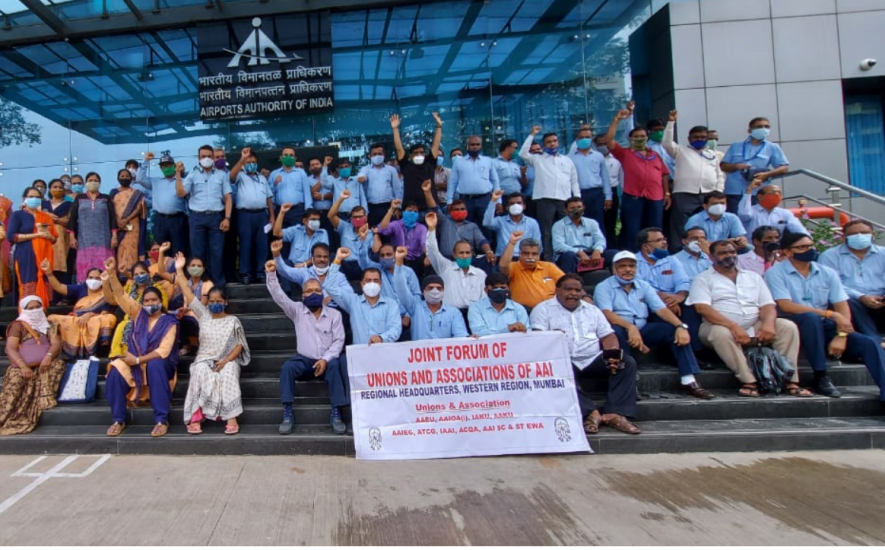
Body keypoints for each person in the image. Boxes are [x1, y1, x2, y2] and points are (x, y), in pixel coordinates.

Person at [764, 232, 885, 399]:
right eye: (802, 247)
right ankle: (820, 375)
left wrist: (841, 335)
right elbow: (786, 305)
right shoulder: (776, 273)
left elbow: (842, 306)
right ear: (787, 252)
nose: (809, 250)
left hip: (823, 323)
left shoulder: (827, 272)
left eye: (811, 246)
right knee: (811, 318)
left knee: (869, 343)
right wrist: (830, 314)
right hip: (792, 321)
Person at [688, 240, 811, 397]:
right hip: (718, 326)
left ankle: (789, 380)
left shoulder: (753, 277)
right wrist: (733, 326)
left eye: (732, 252)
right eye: (723, 253)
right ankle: (749, 381)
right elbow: (703, 309)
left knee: (787, 326)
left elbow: (767, 305)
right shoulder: (703, 278)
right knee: (720, 333)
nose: (729, 256)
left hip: (754, 325)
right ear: (712, 257)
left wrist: (768, 324)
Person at [531, 274, 640, 435]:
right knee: (552, 371)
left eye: (577, 290)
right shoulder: (543, 309)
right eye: (568, 289)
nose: (573, 293)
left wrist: (612, 353)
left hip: (592, 358)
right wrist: (552, 337)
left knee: (627, 362)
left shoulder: (592, 310)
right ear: (557, 290)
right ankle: (590, 413)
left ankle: (614, 414)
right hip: (562, 359)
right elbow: (538, 339)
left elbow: (608, 335)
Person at [594, 251, 712, 399]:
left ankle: (688, 379)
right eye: (622, 266)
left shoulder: (643, 285)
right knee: (615, 332)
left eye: (631, 266)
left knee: (671, 331)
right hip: (618, 327)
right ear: (614, 269)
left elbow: (661, 309)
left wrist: (681, 326)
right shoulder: (603, 287)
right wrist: (630, 327)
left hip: (642, 329)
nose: (628, 269)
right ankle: (629, 383)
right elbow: (606, 314)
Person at [266, 259, 348, 435]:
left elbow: (339, 341)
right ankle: (287, 412)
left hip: (327, 361)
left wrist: (325, 360)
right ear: (303, 295)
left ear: (322, 294)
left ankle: (336, 413)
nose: (313, 293)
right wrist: (271, 274)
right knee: (288, 367)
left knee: (335, 364)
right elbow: (279, 296)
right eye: (309, 291)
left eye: (317, 290)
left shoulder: (334, 314)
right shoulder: (296, 310)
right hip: (304, 361)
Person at [172, 253, 248, 436]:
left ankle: (231, 417)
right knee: (198, 370)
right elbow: (188, 294)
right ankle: (196, 417)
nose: (215, 304)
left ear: (226, 302)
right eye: (212, 301)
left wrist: (226, 360)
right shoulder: (203, 315)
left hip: (228, 359)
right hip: (204, 359)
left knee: (229, 372)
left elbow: (239, 345)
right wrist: (179, 270)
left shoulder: (233, 320)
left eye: (219, 301)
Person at [103, 258, 180, 438]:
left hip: (159, 364)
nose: (150, 303)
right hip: (135, 360)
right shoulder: (138, 314)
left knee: (155, 364)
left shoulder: (169, 322)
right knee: (115, 368)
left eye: (154, 300)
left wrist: (137, 360)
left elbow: (163, 352)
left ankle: (161, 420)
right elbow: (121, 296)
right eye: (146, 301)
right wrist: (112, 274)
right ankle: (118, 419)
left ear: (161, 302)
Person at [603, 109, 670, 251]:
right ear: (631, 139)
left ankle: (657, 254)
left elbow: (664, 174)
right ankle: (634, 256)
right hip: (633, 197)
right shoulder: (625, 154)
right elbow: (608, 140)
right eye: (636, 136)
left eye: (643, 136)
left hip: (655, 196)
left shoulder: (655, 155)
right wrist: (617, 120)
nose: (640, 138)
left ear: (647, 137)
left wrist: (667, 193)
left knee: (655, 229)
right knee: (633, 230)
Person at [0, 296, 66, 435]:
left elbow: (55, 344)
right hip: (22, 365)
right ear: (24, 310)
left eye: (37, 307)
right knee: (17, 379)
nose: (35, 310)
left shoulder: (49, 324)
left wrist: (48, 357)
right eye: (30, 308)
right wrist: (23, 366)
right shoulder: (17, 325)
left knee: (58, 365)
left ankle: (43, 398)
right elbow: (10, 348)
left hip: (44, 364)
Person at [662, 110, 724, 249]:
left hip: (708, 194)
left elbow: (719, 174)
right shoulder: (680, 150)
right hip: (684, 193)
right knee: (680, 224)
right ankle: (679, 250)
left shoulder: (712, 154)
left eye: (703, 137)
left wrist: (718, 191)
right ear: (689, 138)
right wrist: (671, 122)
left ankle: (706, 249)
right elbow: (666, 142)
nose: (699, 139)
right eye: (696, 137)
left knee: (706, 222)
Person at [519, 126, 580, 261]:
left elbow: (574, 181)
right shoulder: (538, 158)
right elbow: (522, 154)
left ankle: (566, 259)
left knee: (565, 230)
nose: (552, 143)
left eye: (554, 141)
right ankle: (547, 260)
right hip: (545, 200)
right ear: (543, 145)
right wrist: (532, 134)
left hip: (565, 201)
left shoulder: (566, 160)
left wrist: (577, 200)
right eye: (549, 142)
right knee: (546, 232)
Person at [175, 144, 233, 287]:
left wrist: (227, 218)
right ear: (198, 158)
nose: (206, 159)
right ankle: (199, 286)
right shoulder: (193, 175)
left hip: (216, 217)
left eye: (209, 156)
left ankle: (218, 287)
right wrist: (178, 174)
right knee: (197, 253)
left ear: (213, 158)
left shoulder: (221, 175)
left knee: (217, 252)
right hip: (196, 217)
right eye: (203, 156)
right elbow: (181, 193)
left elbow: (228, 198)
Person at [819, 220, 885, 341]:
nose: (860, 236)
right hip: (851, 300)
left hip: (880, 298)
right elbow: (831, 284)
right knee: (846, 300)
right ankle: (875, 341)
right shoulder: (829, 256)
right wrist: (861, 297)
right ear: (844, 238)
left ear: (873, 235)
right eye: (854, 234)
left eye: (864, 233)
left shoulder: (883, 253)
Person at [326, 248, 403, 345]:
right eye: (368, 280)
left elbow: (396, 329)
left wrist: (381, 338)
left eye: (376, 280)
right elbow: (329, 287)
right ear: (362, 284)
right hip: (359, 355)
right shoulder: (353, 301)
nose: (372, 283)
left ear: (381, 284)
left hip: (384, 354)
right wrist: (337, 260)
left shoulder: (391, 304)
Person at [42, 262, 118, 358]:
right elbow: (59, 287)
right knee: (51, 318)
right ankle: (61, 350)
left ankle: (101, 351)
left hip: (94, 320)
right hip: (76, 320)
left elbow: (105, 313)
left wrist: (90, 315)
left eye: (97, 278)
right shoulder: (81, 288)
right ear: (86, 279)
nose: (93, 280)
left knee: (109, 318)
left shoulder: (105, 292)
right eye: (91, 277)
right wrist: (49, 273)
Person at [393, 247, 468, 340]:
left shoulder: (454, 313)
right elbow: (400, 287)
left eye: (439, 288)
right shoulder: (415, 308)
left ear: (443, 291)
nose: (435, 291)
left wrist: (469, 340)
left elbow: (461, 337)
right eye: (430, 288)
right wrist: (399, 263)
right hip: (419, 353)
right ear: (423, 292)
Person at [421, 181, 495, 273]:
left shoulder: (472, 226)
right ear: (450, 211)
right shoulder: (445, 221)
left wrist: (489, 252)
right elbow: (434, 208)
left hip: (468, 261)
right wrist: (427, 192)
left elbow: (482, 241)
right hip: (447, 261)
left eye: (462, 209)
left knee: (487, 259)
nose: (459, 211)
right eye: (456, 209)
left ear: (467, 211)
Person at [721, 116, 790, 213]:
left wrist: (767, 174)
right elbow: (723, 166)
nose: (763, 129)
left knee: (756, 220)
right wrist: (736, 166)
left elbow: (784, 168)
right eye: (759, 127)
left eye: (766, 127)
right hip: (735, 191)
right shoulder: (736, 145)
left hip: (758, 192)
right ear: (750, 130)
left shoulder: (772, 147)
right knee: (735, 219)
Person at [229, 147, 274, 285]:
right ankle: (245, 273)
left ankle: (261, 272)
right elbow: (231, 176)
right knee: (245, 244)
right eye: (248, 162)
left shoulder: (262, 178)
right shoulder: (240, 176)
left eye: (253, 161)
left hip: (262, 215)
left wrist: (272, 215)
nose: (251, 164)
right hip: (244, 215)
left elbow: (269, 197)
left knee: (262, 245)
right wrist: (242, 158)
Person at [424, 211, 486, 310]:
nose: (465, 256)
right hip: (451, 314)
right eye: (461, 253)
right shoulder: (445, 267)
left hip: (474, 314)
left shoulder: (480, 274)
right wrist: (431, 229)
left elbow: (484, 298)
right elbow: (432, 251)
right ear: (454, 254)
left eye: (467, 253)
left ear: (472, 254)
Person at [108, 261, 170, 358]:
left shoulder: (157, 289)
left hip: (149, 321)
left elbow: (163, 308)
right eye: (136, 274)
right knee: (123, 325)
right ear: (132, 277)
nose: (139, 276)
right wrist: (106, 279)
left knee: (126, 325)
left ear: (148, 274)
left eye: (142, 273)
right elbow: (115, 298)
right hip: (129, 321)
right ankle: (119, 356)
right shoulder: (129, 288)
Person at [9, 187, 57, 306]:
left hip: (44, 256)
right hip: (26, 254)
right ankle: (27, 315)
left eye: (37, 197)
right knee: (28, 283)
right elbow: (12, 236)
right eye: (31, 197)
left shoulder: (46, 217)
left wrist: (48, 236)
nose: (34, 199)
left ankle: (43, 312)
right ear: (24, 199)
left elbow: (54, 239)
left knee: (45, 282)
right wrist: (36, 235)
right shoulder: (18, 215)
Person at [137, 151, 189, 257]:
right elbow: (139, 178)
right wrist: (146, 160)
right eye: (163, 166)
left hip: (178, 219)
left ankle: (177, 272)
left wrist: (180, 173)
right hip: (160, 220)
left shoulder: (182, 181)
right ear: (160, 168)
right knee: (161, 249)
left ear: (174, 166)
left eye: (168, 165)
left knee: (179, 249)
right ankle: (162, 272)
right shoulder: (155, 181)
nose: (166, 168)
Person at [272, 240, 352, 308]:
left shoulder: (338, 275)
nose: (322, 259)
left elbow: (349, 293)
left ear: (329, 259)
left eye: (325, 257)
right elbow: (285, 271)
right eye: (319, 256)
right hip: (311, 312)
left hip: (334, 311)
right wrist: (276, 254)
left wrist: (332, 297)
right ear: (312, 259)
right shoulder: (305, 273)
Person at [392, 112, 442, 210]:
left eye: (422, 152)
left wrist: (439, 126)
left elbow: (436, 144)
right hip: (411, 209)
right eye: (416, 153)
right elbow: (399, 148)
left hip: (431, 207)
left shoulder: (430, 163)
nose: (419, 154)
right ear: (410, 155)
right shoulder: (406, 165)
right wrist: (395, 129)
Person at [500, 233, 564, 310]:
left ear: (539, 255)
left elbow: (566, 283)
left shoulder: (549, 267)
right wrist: (512, 243)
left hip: (551, 310)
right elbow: (503, 265)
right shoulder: (514, 267)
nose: (530, 257)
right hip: (524, 311)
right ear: (520, 254)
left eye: (534, 254)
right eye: (526, 253)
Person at [446, 135, 500, 225]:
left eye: (477, 144)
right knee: (465, 226)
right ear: (467, 146)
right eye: (472, 144)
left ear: (481, 146)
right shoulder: (459, 162)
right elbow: (452, 183)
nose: (475, 147)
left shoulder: (488, 161)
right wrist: (449, 201)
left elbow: (495, 181)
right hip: (465, 201)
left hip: (485, 199)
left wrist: (498, 201)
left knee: (486, 227)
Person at [569, 127, 610, 233]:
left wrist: (608, 196)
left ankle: (600, 248)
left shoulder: (598, 156)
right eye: (581, 137)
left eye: (587, 137)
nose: (584, 139)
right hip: (578, 194)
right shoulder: (569, 158)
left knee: (599, 222)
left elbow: (605, 177)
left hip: (596, 193)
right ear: (576, 139)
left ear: (592, 139)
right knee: (580, 222)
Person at [551, 196, 609, 273]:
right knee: (568, 256)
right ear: (566, 210)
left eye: (579, 207)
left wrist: (597, 250)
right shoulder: (559, 225)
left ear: (583, 207)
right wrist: (579, 252)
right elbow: (558, 246)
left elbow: (600, 240)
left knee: (613, 254)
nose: (576, 210)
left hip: (591, 254)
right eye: (572, 208)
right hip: (570, 255)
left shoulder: (592, 223)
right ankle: (569, 283)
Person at [738, 179, 808, 237]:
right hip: (753, 250)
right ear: (760, 197)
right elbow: (743, 215)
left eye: (779, 193)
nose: (777, 195)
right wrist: (749, 190)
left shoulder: (784, 213)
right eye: (773, 192)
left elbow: (797, 227)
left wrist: (806, 238)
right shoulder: (751, 211)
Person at [484, 190, 542, 260]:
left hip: (524, 259)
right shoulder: (500, 221)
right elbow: (486, 223)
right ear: (507, 207)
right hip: (503, 258)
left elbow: (538, 244)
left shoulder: (532, 222)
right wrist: (493, 201)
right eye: (512, 203)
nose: (515, 205)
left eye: (519, 203)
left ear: (524, 206)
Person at [468, 272, 530, 336]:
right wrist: (507, 329)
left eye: (503, 288)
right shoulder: (476, 308)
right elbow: (478, 332)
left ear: (508, 289)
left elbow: (527, 332)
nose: (499, 291)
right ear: (486, 290)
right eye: (494, 288)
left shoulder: (518, 308)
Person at [109, 168, 146, 273]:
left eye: (127, 176)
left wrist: (126, 219)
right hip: (117, 226)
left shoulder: (137, 194)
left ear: (131, 178)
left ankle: (132, 273)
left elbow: (139, 209)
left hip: (133, 225)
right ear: (118, 178)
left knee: (131, 248)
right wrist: (119, 221)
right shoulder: (113, 192)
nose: (125, 178)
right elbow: (111, 209)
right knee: (119, 249)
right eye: (122, 176)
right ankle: (120, 274)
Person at [327, 191, 370, 281]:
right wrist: (341, 198)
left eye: (360, 216)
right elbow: (331, 216)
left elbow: (376, 251)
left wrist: (365, 238)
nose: (357, 219)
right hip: (346, 265)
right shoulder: (344, 227)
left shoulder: (370, 233)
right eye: (355, 217)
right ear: (351, 218)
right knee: (332, 256)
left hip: (363, 266)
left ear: (365, 217)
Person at [378, 198, 428, 275]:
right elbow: (382, 229)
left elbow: (424, 244)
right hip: (397, 259)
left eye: (415, 211)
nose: (412, 213)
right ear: (403, 212)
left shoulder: (421, 228)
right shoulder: (396, 224)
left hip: (415, 261)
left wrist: (428, 256)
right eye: (409, 211)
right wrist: (391, 209)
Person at [358, 143, 402, 227]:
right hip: (371, 208)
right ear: (369, 156)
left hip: (389, 207)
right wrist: (361, 178)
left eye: (379, 154)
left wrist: (398, 208)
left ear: (384, 155)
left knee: (390, 233)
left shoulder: (391, 170)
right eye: (374, 154)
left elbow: (397, 189)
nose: (377, 156)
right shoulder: (365, 169)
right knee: (374, 233)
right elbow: (361, 176)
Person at [270, 146, 312, 230]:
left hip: (297, 210)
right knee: (281, 237)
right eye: (285, 155)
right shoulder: (274, 174)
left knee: (297, 237)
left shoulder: (301, 173)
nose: (288, 157)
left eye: (291, 155)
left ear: (295, 158)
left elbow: (306, 192)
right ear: (281, 158)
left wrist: (309, 211)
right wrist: (274, 184)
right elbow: (269, 195)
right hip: (280, 210)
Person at [595, 135, 624, 242]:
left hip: (613, 192)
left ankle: (612, 247)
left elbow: (622, 180)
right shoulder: (593, 158)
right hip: (597, 193)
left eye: (605, 144)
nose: (603, 146)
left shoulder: (617, 159)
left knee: (611, 222)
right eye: (600, 144)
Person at [46, 179, 73, 287]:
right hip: (47, 240)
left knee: (64, 266)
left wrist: (53, 219)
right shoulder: (44, 204)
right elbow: (39, 219)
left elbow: (70, 221)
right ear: (50, 189)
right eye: (55, 187)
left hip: (63, 240)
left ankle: (64, 298)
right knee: (48, 266)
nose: (57, 189)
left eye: (60, 187)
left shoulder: (69, 205)